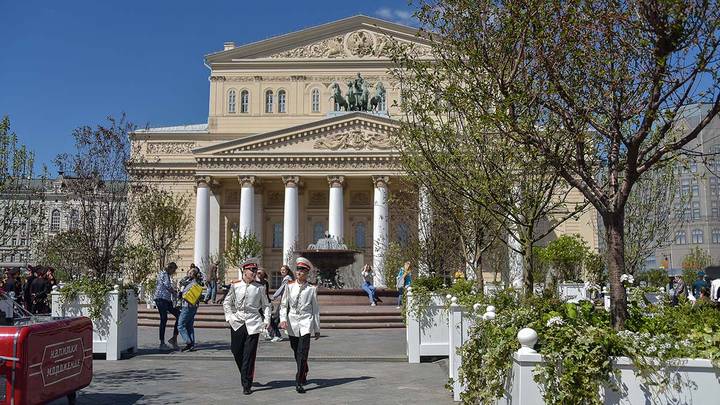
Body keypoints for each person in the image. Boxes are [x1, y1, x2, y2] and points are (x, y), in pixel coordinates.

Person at [223, 259, 271, 396]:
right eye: (252, 271)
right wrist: (229, 317)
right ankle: (245, 373)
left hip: (253, 322)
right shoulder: (235, 285)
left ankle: (247, 383)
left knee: (249, 355)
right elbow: (227, 303)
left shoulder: (259, 287)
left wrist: (266, 320)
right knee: (236, 351)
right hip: (237, 322)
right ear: (245, 271)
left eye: (256, 270)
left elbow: (266, 305)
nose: (255, 273)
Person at [280, 257, 320, 394]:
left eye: (302, 270)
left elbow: (315, 310)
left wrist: (317, 328)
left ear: (307, 273)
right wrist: (282, 319)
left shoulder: (311, 289)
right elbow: (284, 304)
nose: (299, 272)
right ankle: (304, 368)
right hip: (292, 322)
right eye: (298, 269)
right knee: (295, 350)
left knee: (302, 352)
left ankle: (299, 380)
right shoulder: (289, 286)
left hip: (305, 322)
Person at [154, 262, 180, 350]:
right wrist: (174, 292)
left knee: (179, 315)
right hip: (161, 299)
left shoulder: (165, 274)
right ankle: (162, 342)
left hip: (166, 299)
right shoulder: (164, 274)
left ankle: (174, 338)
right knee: (164, 319)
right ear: (170, 268)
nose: (174, 272)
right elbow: (167, 285)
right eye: (174, 270)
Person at [177, 267, 204, 352]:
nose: (188, 273)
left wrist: (180, 294)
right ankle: (192, 344)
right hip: (194, 307)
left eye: (190, 273)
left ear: (193, 274)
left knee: (180, 325)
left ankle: (188, 342)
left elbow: (184, 294)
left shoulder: (191, 284)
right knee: (189, 325)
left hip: (187, 306)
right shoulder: (197, 283)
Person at [269, 265, 294, 342]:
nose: (282, 271)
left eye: (284, 270)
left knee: (275, 319)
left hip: (285, 302)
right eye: (281, 270)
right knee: (276, 319)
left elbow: (281, 289)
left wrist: (273, 297)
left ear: (287, 271)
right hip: (285, 301)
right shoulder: (288, 278)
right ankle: (273, 333)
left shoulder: (287, 278)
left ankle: (276, 335)